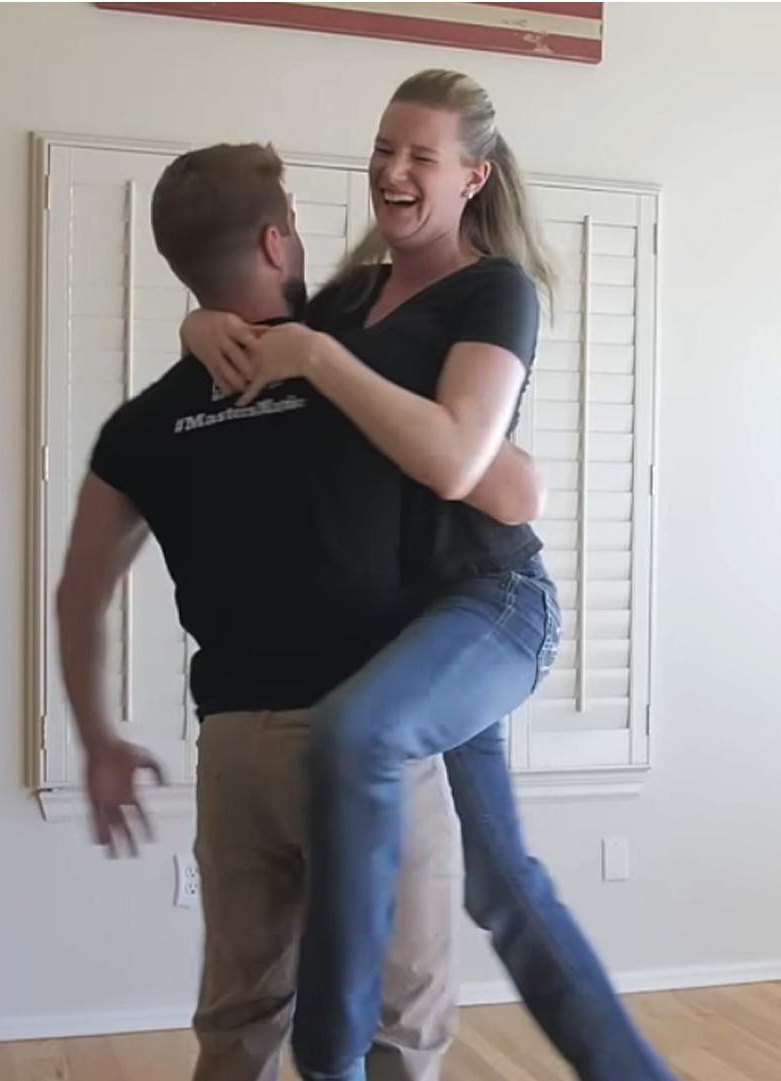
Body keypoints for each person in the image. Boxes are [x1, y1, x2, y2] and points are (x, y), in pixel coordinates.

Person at [183, 70, 679, 1081]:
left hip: (490, 606)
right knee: (503, 884)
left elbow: (454, 460)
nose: (393, 169)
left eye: (421, 154)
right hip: (407, 630)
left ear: (471, 177)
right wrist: (202, 328)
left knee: (360, 732)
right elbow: (263, 354)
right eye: (384, 147)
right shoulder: (353, 298)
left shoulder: (495, 290)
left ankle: (332, 1055)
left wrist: (326, 368)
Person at [54, 142, 545, 1081]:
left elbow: (80, 591)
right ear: (278, 242)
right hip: (365, 741)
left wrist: (100, 738)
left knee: (240, 1019)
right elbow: (510, 491)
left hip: (235, 753)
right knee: (398, 1022)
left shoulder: (144, 425)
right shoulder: (355, 380)